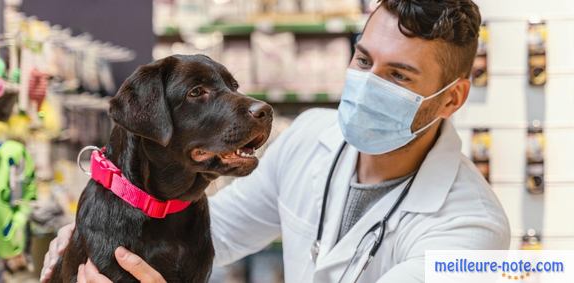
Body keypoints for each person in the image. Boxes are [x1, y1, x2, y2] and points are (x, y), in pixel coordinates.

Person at [41, 0, 510, 282]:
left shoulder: (470, 234)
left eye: (398, 76)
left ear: (451, 99)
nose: (369, 84)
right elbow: (213, 233)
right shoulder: (310, 137)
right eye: (364, 61)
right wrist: (88, 243)